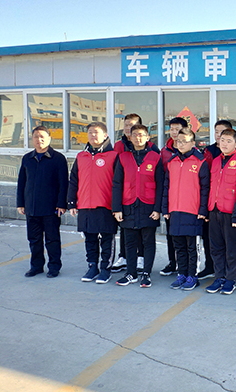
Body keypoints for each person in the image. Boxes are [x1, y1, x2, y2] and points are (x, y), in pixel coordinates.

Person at [111, 124, 163, 288]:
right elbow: (117, 184)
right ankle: (131, 273)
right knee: (130, 242)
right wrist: (116, 208)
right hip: (128, 205)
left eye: (141, 135)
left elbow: (160, 185)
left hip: (149, 206)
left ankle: (146, 273)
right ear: (130, 137)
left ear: (148, 137)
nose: (138, 138)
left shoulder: (156, 157)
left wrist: (158, 209)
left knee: (148, 241)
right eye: (135, 135)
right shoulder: (123, 157)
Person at [67, 122, 118, 284]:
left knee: (107, 239)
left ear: (105, 135)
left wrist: (117, 206)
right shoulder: (81, 156)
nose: (93, 135)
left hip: (105, 205)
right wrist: (72, 202)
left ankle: (105, 269)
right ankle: (92, 267)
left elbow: (118, 183)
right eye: (90, 132)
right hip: (84, 205)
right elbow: (73, 180)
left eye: (96, 132)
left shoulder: (113, 156)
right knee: (90, 238)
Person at [16, 125, 68, 278]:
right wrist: (20, 203)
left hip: (51, 208)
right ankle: (36, 266)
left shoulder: (58, 159)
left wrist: (62, 204)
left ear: (49, 139)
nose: (39, 140)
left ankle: (54, 267)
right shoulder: (27, 158)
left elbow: (63, 184)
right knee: (34, 239)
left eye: (42, 137)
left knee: (52, 240)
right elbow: (22, 182)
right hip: (31, 207)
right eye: (36, 137)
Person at [163, 127, 210, 291]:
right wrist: (165, 209)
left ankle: (192, 276)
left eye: (185, 141)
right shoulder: (172, 162)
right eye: (178, 141)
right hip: (175, 210)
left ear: (193, 143)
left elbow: (205, 189)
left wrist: (203, 210)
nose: (181, 144)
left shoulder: (200, 162)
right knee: (179, 247)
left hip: (193, 212)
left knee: (192, 248)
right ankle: (181, 274)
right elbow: (166, 187)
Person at [205, 128, 236, 295]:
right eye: (222, 140)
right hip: (214, 210)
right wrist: (207, 210)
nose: (224, 144)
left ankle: (230, 279)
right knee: (216, 248)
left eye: (229, 141)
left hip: (231, 213)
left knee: (232, 249)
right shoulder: (216, 161)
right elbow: (210, 186)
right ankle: (219, 277)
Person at [199, 119, 234, 280]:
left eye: (223, 132)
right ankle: (210, 266)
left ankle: (227, 272)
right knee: (209, 239)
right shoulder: (209, 151)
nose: (219, 135)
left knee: (227, 241)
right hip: (210, 202)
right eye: (216, 132)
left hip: (227, 205)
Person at [157, 116, 188, 277]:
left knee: (187, 236)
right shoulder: (164, 152)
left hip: (187, 201)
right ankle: (172, 262)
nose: (174, 132)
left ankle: (187, 266)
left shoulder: (191, 152)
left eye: (177, 129)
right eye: (172, 129)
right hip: (170, 199)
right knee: (171, 234)